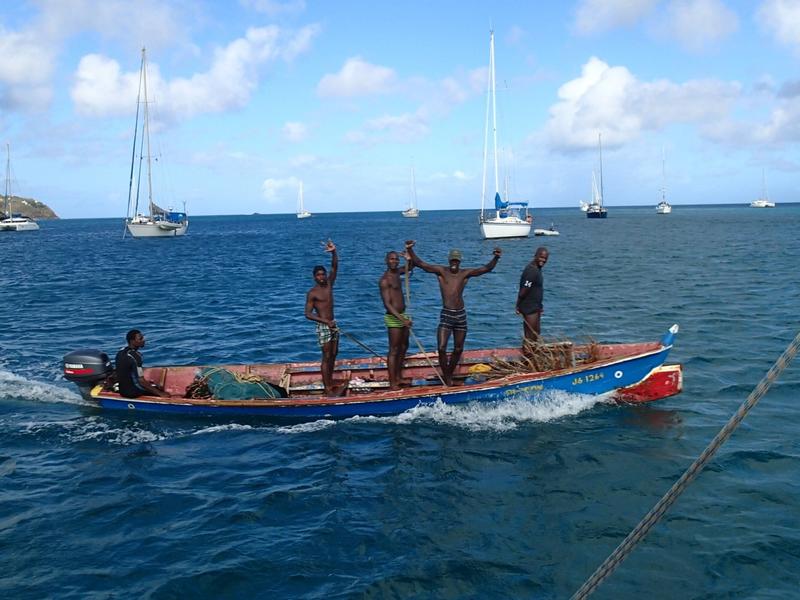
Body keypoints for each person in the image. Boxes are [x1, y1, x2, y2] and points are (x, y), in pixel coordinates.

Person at [405, 240, 501, 386]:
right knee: (442, 348)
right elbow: (421, 264)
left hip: (460, 315)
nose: (454, 262)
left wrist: (496, 258)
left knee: (458, 348)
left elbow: (485, 269)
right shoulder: (442, 271)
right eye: (452, 260)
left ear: (459, 261)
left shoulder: (465, 274)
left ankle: (448, 373)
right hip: (447, 314)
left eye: (456, 260)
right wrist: (410, 250)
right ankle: (447, 376)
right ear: (449, 261)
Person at [304, 239, 345, 396]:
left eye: (323, 274)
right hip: (324, 326)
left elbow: (335, 266)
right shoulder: (312, 293)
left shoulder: (329, 285)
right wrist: (325, 322)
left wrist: (334, 251)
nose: (322, 277)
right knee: (326, 356)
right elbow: (307, 314)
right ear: (314, 277)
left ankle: (329, 381)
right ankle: (327, 387)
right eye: (318, 275)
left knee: (334, 354)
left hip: (333, 324)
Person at [379, 249, 414, 390]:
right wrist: (401, 319)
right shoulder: (384, 280)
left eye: (396, 259)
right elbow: (387, 304)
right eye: (391, 259)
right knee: (393, 350)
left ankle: (399, 377)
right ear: (386, 261)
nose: (394, 261)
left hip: (403, 315)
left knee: (404, 346)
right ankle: (392, 382)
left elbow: (410, 267)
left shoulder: (398, 273)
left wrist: (408, 258)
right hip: (393, 318)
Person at [115, 329, 171, 398]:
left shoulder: (120, 352)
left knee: (152, 385)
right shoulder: (135, 356)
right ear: (132, 341)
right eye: (140, 339)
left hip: (122, 391)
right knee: (159, 389)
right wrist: (160, 393)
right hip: (132, 393)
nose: (143, 340)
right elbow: (141, 381)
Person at [516, 246, 549, 347]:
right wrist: (518, 305)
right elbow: (524, 290)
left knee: (535, 335)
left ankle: (532, 357)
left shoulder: (537, 269)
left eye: (545, 259)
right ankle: (528, 358)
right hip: (529, 308)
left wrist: (540, 306)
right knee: (530, 336)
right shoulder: (532, 271)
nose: (543, 260)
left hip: (535, 307)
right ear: (535, 256)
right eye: (541, 257)